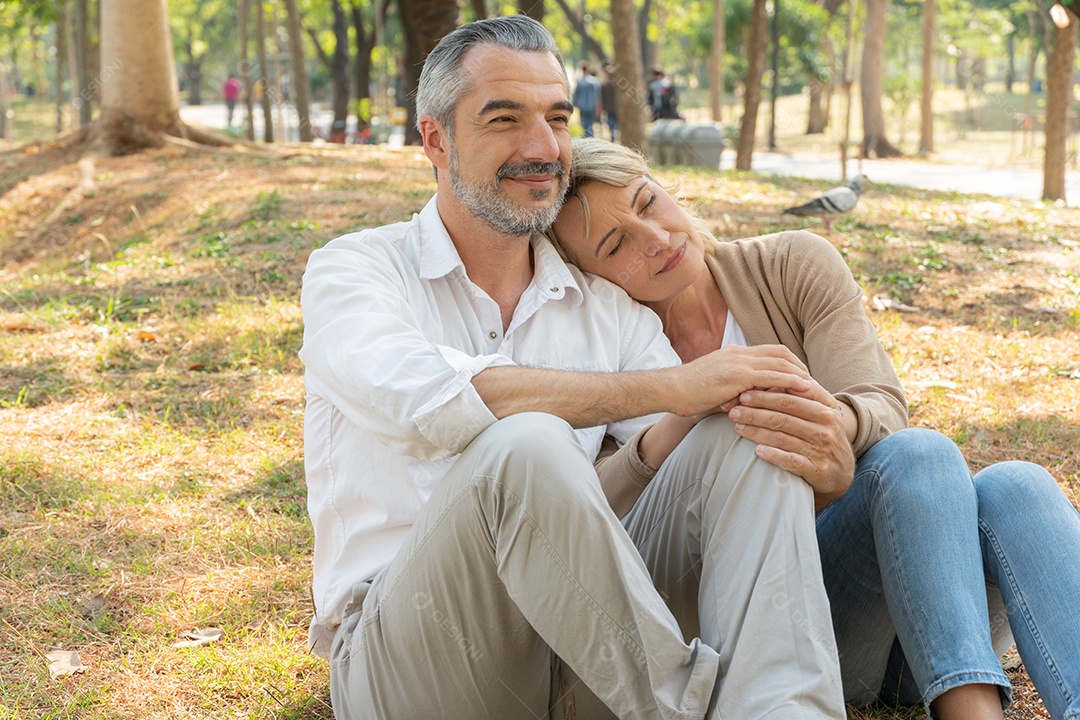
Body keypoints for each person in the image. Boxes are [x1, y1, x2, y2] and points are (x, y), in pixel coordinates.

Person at [301, 15, 847, 720]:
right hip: (415, 661)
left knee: (736, 436)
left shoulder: (605, 309)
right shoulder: (355, 270)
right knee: (526, 442)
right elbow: (439, 401)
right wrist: (677, 385)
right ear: (436, 139)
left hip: (588, 644)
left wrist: (751, 412)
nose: (542, 147)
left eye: (556, 118)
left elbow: (686, 474)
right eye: (504, 119)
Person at [547, 137, 1080, 720]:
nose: (657, 238)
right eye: (616, 243)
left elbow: (880, 405)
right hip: (802, 619)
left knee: (1016, 485)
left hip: (932, 614)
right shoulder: (595, 353)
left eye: (648, 203)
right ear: (586, 276)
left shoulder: (790, 263)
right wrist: (681, 415)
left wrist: (834, 427)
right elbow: (585, 514)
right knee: (921, 453)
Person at [572, 61, 602, 138]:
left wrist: (574, 105)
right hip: (591, 106)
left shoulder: (580, 81)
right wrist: (598, 107)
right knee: (590, 124)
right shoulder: (594, 81)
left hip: (582, 106)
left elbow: (576, 95)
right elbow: (597, 96)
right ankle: (590, 137)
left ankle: (586, 137)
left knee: (584, 124)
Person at [600, 61, 618, 142]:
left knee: (611, 124)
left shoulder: (604, 86)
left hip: (608, 108)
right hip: (617, 108)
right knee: (616, 124)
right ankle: (615, 135)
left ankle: (613, 136)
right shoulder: (617, 86)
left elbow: (602, 98)